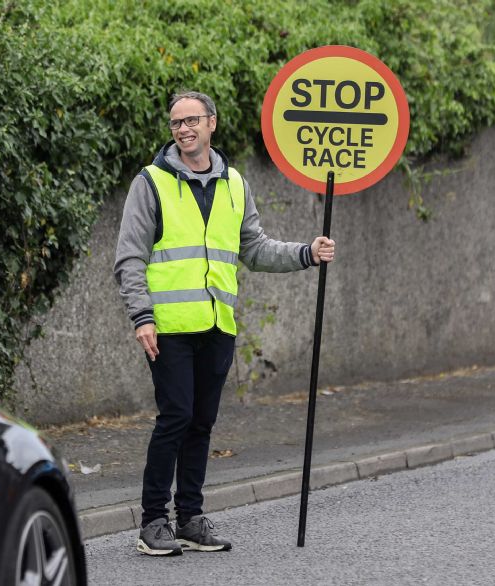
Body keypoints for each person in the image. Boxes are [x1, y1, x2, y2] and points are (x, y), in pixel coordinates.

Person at [113, 91, 335, 556]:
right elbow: (130, 257)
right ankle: (153, 521)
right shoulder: (150, 183)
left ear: (212, 123)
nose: (183, 129)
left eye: (192, 120)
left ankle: (191, 519)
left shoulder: (235, 183)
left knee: (201, 423)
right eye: (176, 122)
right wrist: (142, 317)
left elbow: (253, 248)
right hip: (168, 326)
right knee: (174, 418)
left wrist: (305, 254)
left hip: (217, 325)